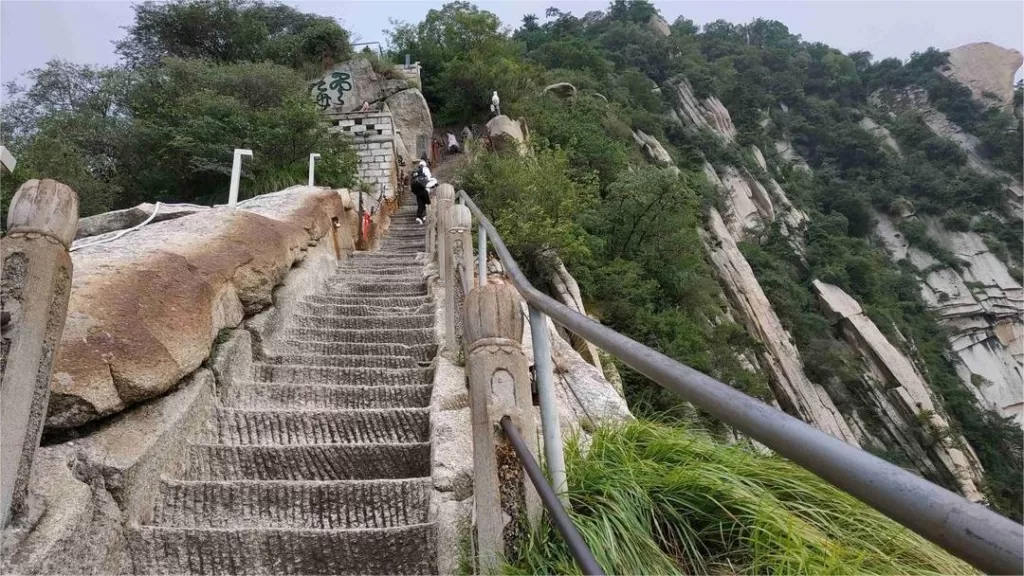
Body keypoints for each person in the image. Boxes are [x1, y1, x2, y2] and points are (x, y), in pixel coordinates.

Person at [410, 160, 437, 224]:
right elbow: (429, 178)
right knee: (428, 203)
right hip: (423, 190)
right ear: (425, 164)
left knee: (421, 205)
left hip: (416, 191)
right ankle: (426, 216)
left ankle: (418, 217)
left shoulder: (416, 171)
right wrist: (435, 182)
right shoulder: (425, 169)